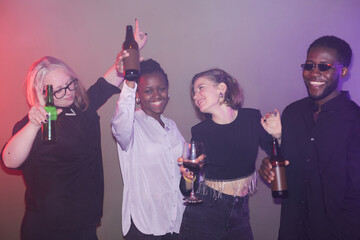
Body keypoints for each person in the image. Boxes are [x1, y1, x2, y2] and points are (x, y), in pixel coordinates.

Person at [0, 20, 147, 240]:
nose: (69, 92)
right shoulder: (37, 122)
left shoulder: (81, 107)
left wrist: (130, 54)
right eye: (59, 90)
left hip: (84, 225)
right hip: (47, 229)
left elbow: (105, 84)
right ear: (41, 92)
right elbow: (9, 161)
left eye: (71, 83)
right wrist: (33, 124)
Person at [259, 35, 360, 240]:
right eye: (309, 65)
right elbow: (286, 162)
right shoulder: (292, 113)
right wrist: (269, 166)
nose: (314, 72)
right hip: (291, 230)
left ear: (343, 71)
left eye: (325, 66)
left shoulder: (354, 121)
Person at [178, 68, 281, 239]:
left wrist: (277, 136)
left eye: (200, 88)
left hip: (240, 211)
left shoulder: (252, 118)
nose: (195, 96)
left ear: (222, 88)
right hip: (206, 211)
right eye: (193, 93)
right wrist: (188, 176)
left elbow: (277, 154)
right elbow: (188, 190)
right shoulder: (200, 131)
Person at [111, 58, 185, 239]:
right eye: (148, 91)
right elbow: (120, 120)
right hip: (145, 225)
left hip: (176, 222)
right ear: (137, 95)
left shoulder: (171, 126)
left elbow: (184, 169)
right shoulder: (131, 125)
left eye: (161, 89)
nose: (157, 95)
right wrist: (129, 82)